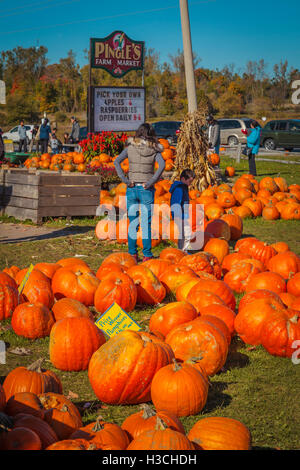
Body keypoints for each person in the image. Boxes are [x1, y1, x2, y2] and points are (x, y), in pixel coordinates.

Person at [114, 123, 165, 262]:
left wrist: (125, 179)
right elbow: (162, 165)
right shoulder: (154, 149)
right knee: (146, 223)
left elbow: (116, 161)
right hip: (146, 189)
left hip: (131, 188)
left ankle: (132, 254)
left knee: (132, 222)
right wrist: (151, 181)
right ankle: (147, 255)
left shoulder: (130, 147)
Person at [169, 169, 195, 253]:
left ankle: (181, 251)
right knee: (187, 234)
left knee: (182, 234)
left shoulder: (183, 187)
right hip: (180, 216)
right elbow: (176, 203)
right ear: (183, 179)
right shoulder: (179, 189)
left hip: (183, 215)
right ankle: (185, 251)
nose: (190, 183)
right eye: (189, 181)